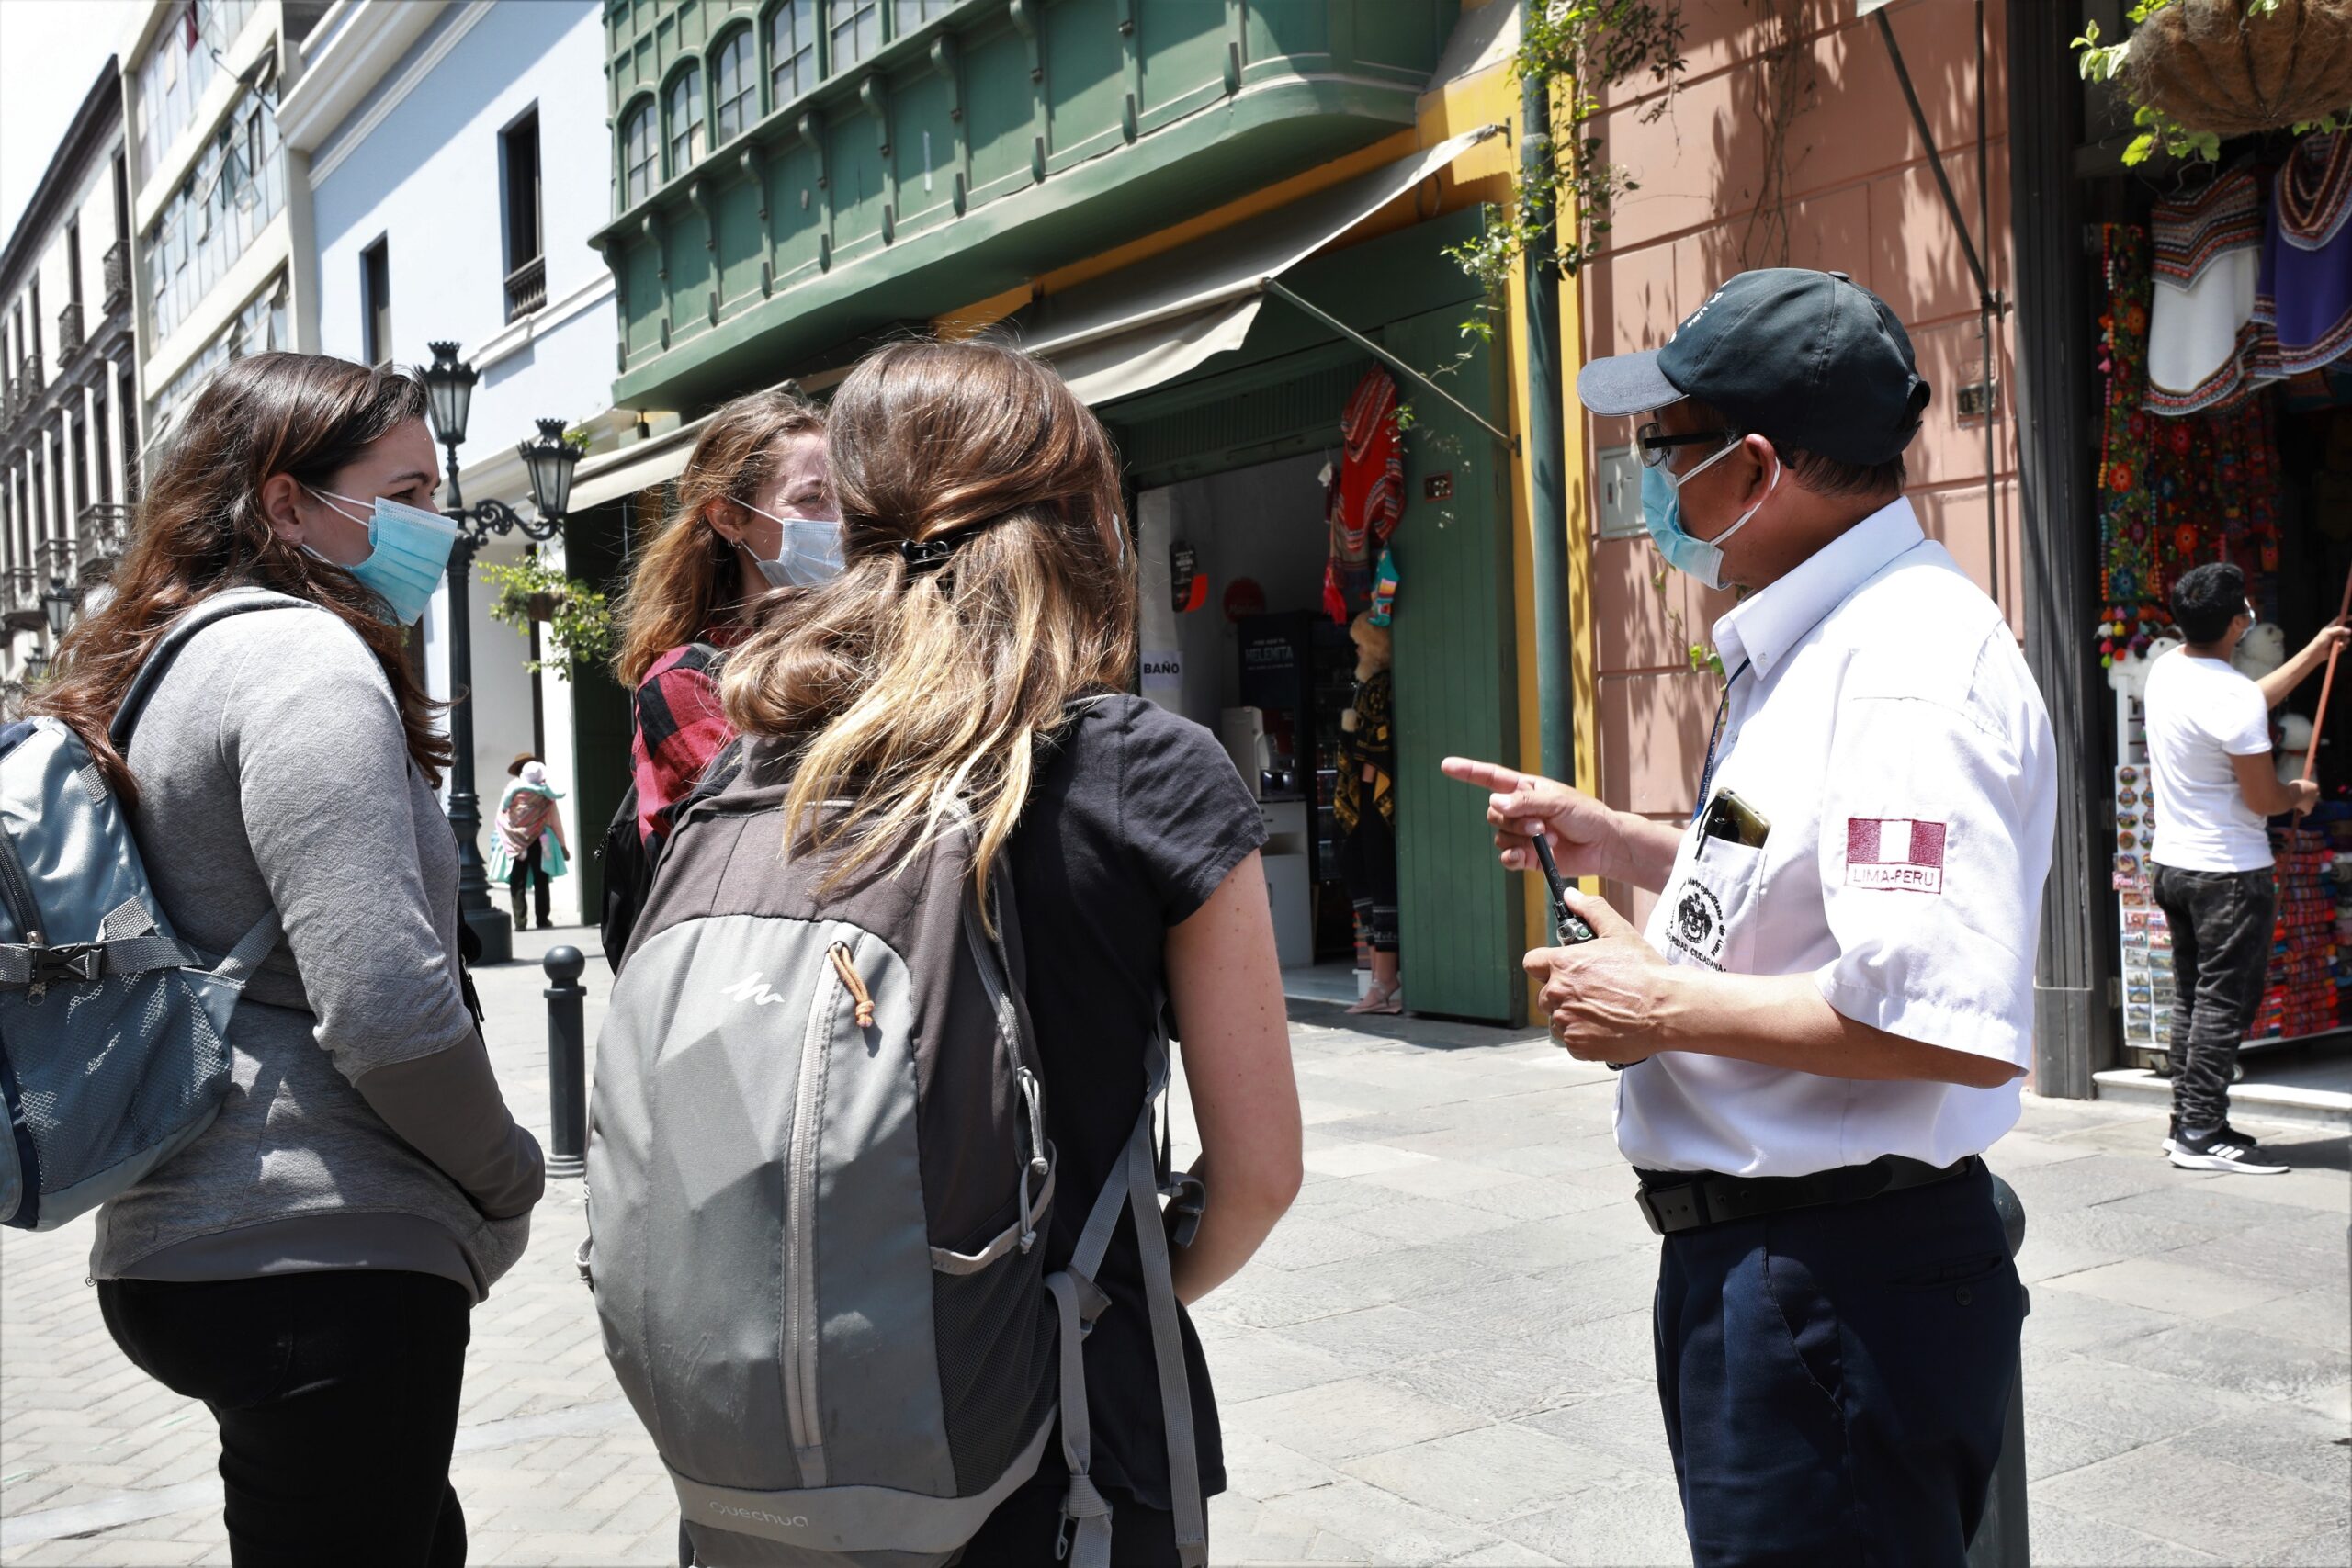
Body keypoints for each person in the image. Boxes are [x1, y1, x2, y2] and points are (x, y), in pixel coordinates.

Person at [1443, 269, 2055, 1567]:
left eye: (1669, 445)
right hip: (1784, 1268)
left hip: (1835, 1276)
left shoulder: (1900, 668)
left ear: (1757, 466)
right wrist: (1625, 841)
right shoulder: (1824, 639)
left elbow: (1943, 1021)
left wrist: (1657, 1005)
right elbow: (1819, 889)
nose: (1658, 480)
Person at [711, 338, 1302, 1563]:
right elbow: (1258, 1175)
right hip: (1066, 1434)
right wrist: (1109, 1290)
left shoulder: (755, 764)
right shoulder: (1142, 769)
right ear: (1083, 517)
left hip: (783, 1438)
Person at [28, 353, 544, 1565]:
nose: (437, 520)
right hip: (318, 1246)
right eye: (406, 492)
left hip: (192, 1227)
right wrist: (508, 1174)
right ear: (286, 504)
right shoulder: (303, 664)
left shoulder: (168, 664)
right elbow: (385, 1006)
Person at [2143, 561, 2344, 1173]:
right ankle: (2201, 1133)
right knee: (2223, 1004)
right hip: (2227, 874)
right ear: (2237, 624)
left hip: (2175, 865)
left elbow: (2242, 706)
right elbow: (2262, 798)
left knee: (2195, 998)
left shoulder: (2168, 669)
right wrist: (2298, 794)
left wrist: (2314, 653)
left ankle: (2189, 1120)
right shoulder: (2230, 695)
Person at [610, 389, 832, 858]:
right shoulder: (686, 680)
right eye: (812, 499)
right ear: (729, 518)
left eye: (846, 498)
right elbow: (772, 827)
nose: (841, 521)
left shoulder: (861, 640)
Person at [1336, 611, 1401, 1013]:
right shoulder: (1369, 685)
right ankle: (1380, 980)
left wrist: (1362, 779)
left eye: (1362, 644)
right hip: (1364, 798)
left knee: (1377, 878)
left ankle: (1383, 980)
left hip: (1371, 798)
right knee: (1366, 876)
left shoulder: (1378, 686)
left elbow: (1374, 745)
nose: (1357, 651)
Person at [491, 757, 570, 931]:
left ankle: (520, 922)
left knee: (517, 880)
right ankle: (543, 919)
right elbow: (554, 819)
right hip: (541, 838)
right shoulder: (544, 790)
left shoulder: (512, 788)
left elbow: (502, 815)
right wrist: (562, 845)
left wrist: (507, 837)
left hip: (517, 841)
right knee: (541, 878)